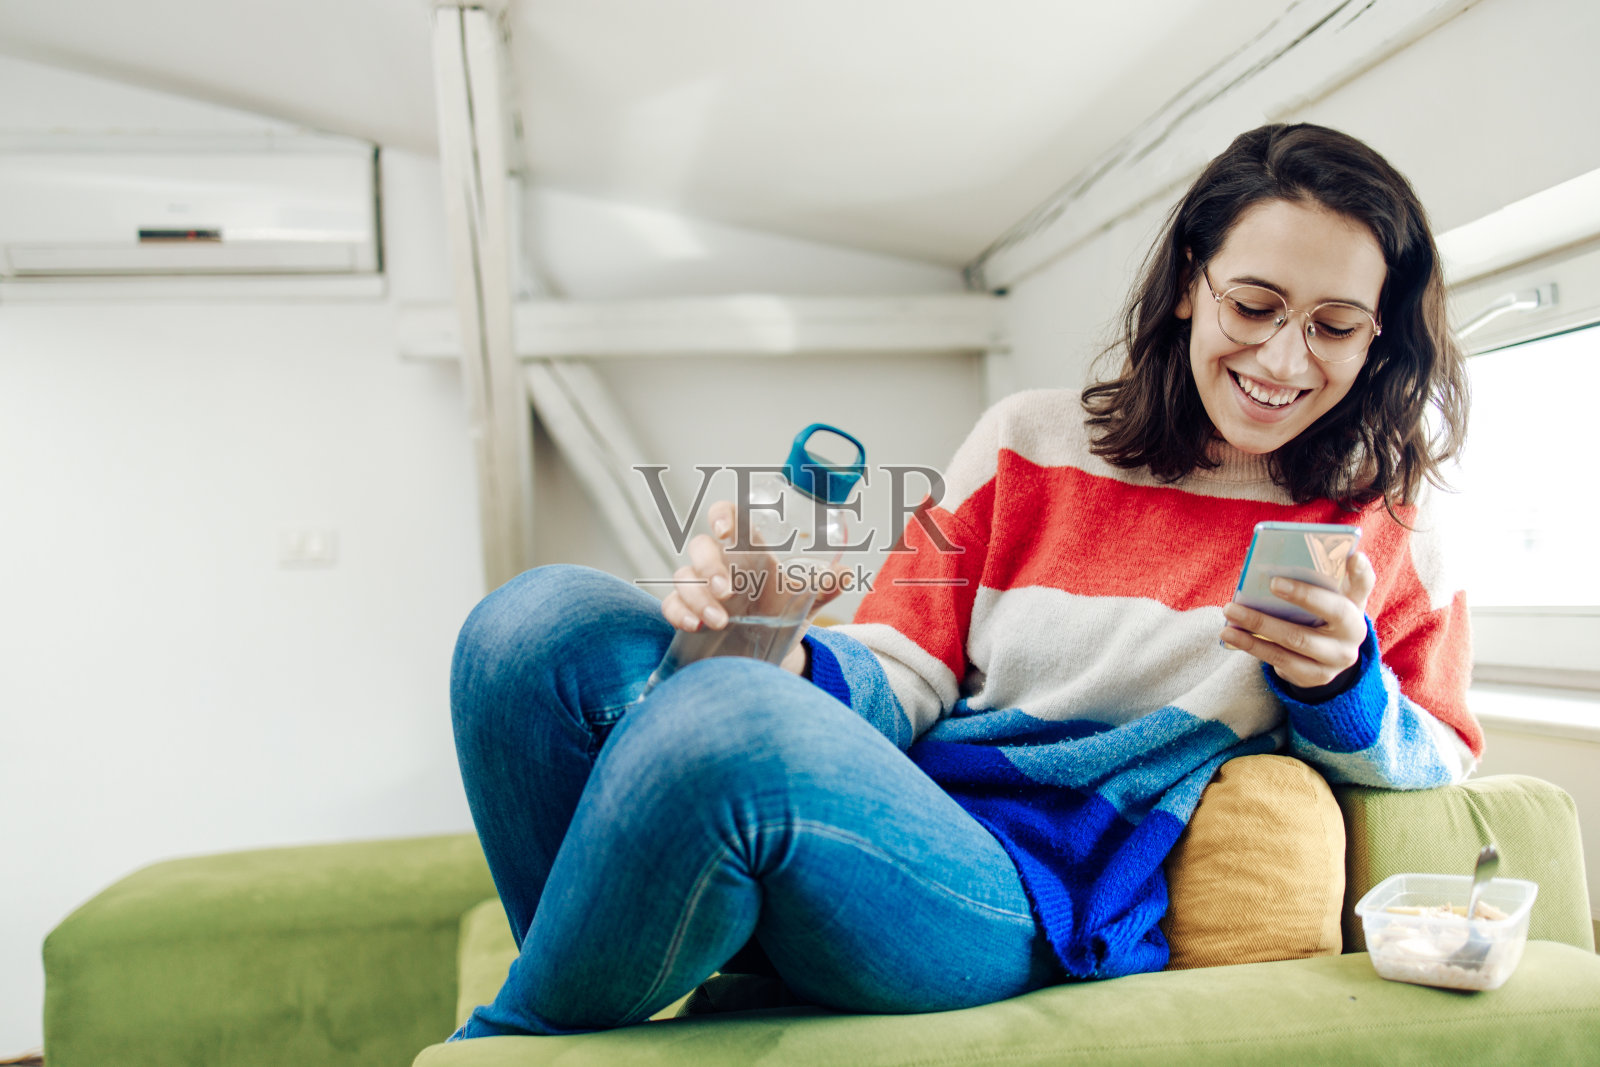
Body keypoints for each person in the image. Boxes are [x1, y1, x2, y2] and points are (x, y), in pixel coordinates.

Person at [445, 122, 1480, 1040]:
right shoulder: (1026, 439)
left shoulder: (1383, 518)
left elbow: (1439, 754)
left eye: (1335, 326)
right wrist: (779, 640)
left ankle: (517, 1037)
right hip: (896, 805)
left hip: (1029, 892)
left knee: (723, 722)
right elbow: (903, 668)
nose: (1283, 356)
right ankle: (608, 980)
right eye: (1253, 304)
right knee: (530, 625)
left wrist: (1335, 682)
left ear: (1378, 333)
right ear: (1186, 284)